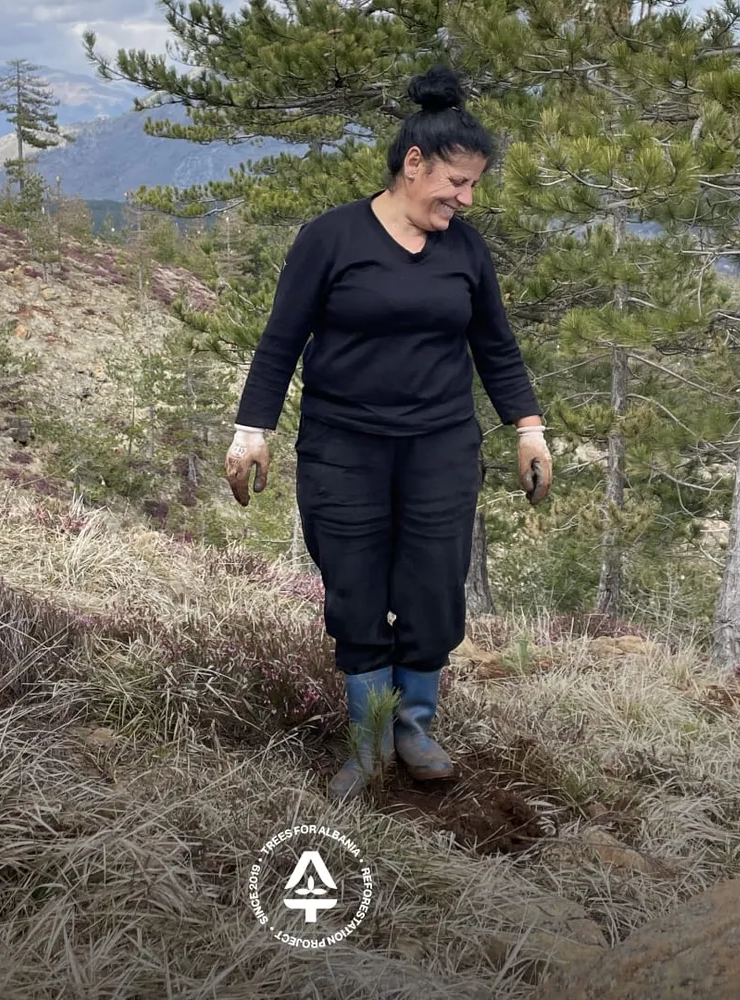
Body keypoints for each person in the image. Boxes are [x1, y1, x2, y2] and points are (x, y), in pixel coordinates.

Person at [224, 64, 552, 800]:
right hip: (343, 446)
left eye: (473, 187)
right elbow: (282, 341)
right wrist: (252, 431)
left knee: (434, 587)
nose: (465, 200)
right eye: (456, 184)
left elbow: (495, 347)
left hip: (440, 445)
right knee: (355, 587)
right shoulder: (331, 238)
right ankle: (369, 736)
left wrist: (529, 429)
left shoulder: (465, 251)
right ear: (413, 165)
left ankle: (415, 726)